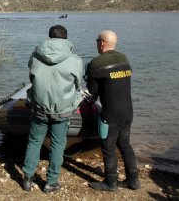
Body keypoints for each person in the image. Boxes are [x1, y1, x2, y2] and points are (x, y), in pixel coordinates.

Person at [22, 25, 83, 193]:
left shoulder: (35, 56)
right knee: (57, 144)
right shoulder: (75, 60)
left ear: (49, 38)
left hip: (39, 108)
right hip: (62, 110)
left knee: (34, 142)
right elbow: (78, 85)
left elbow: (32, 77)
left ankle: (27, 178)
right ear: (66, 39)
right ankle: (51, 182)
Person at [85, 30, 140, 191]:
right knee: (125, 144)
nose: (96, 43)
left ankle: (111, 183)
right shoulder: (124, 58)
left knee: (108, 147)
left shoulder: (96, 63)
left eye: (97, 41)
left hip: (110, 114)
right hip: (128, 111)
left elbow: (92, 91)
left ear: (102, 42)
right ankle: (134, 180)